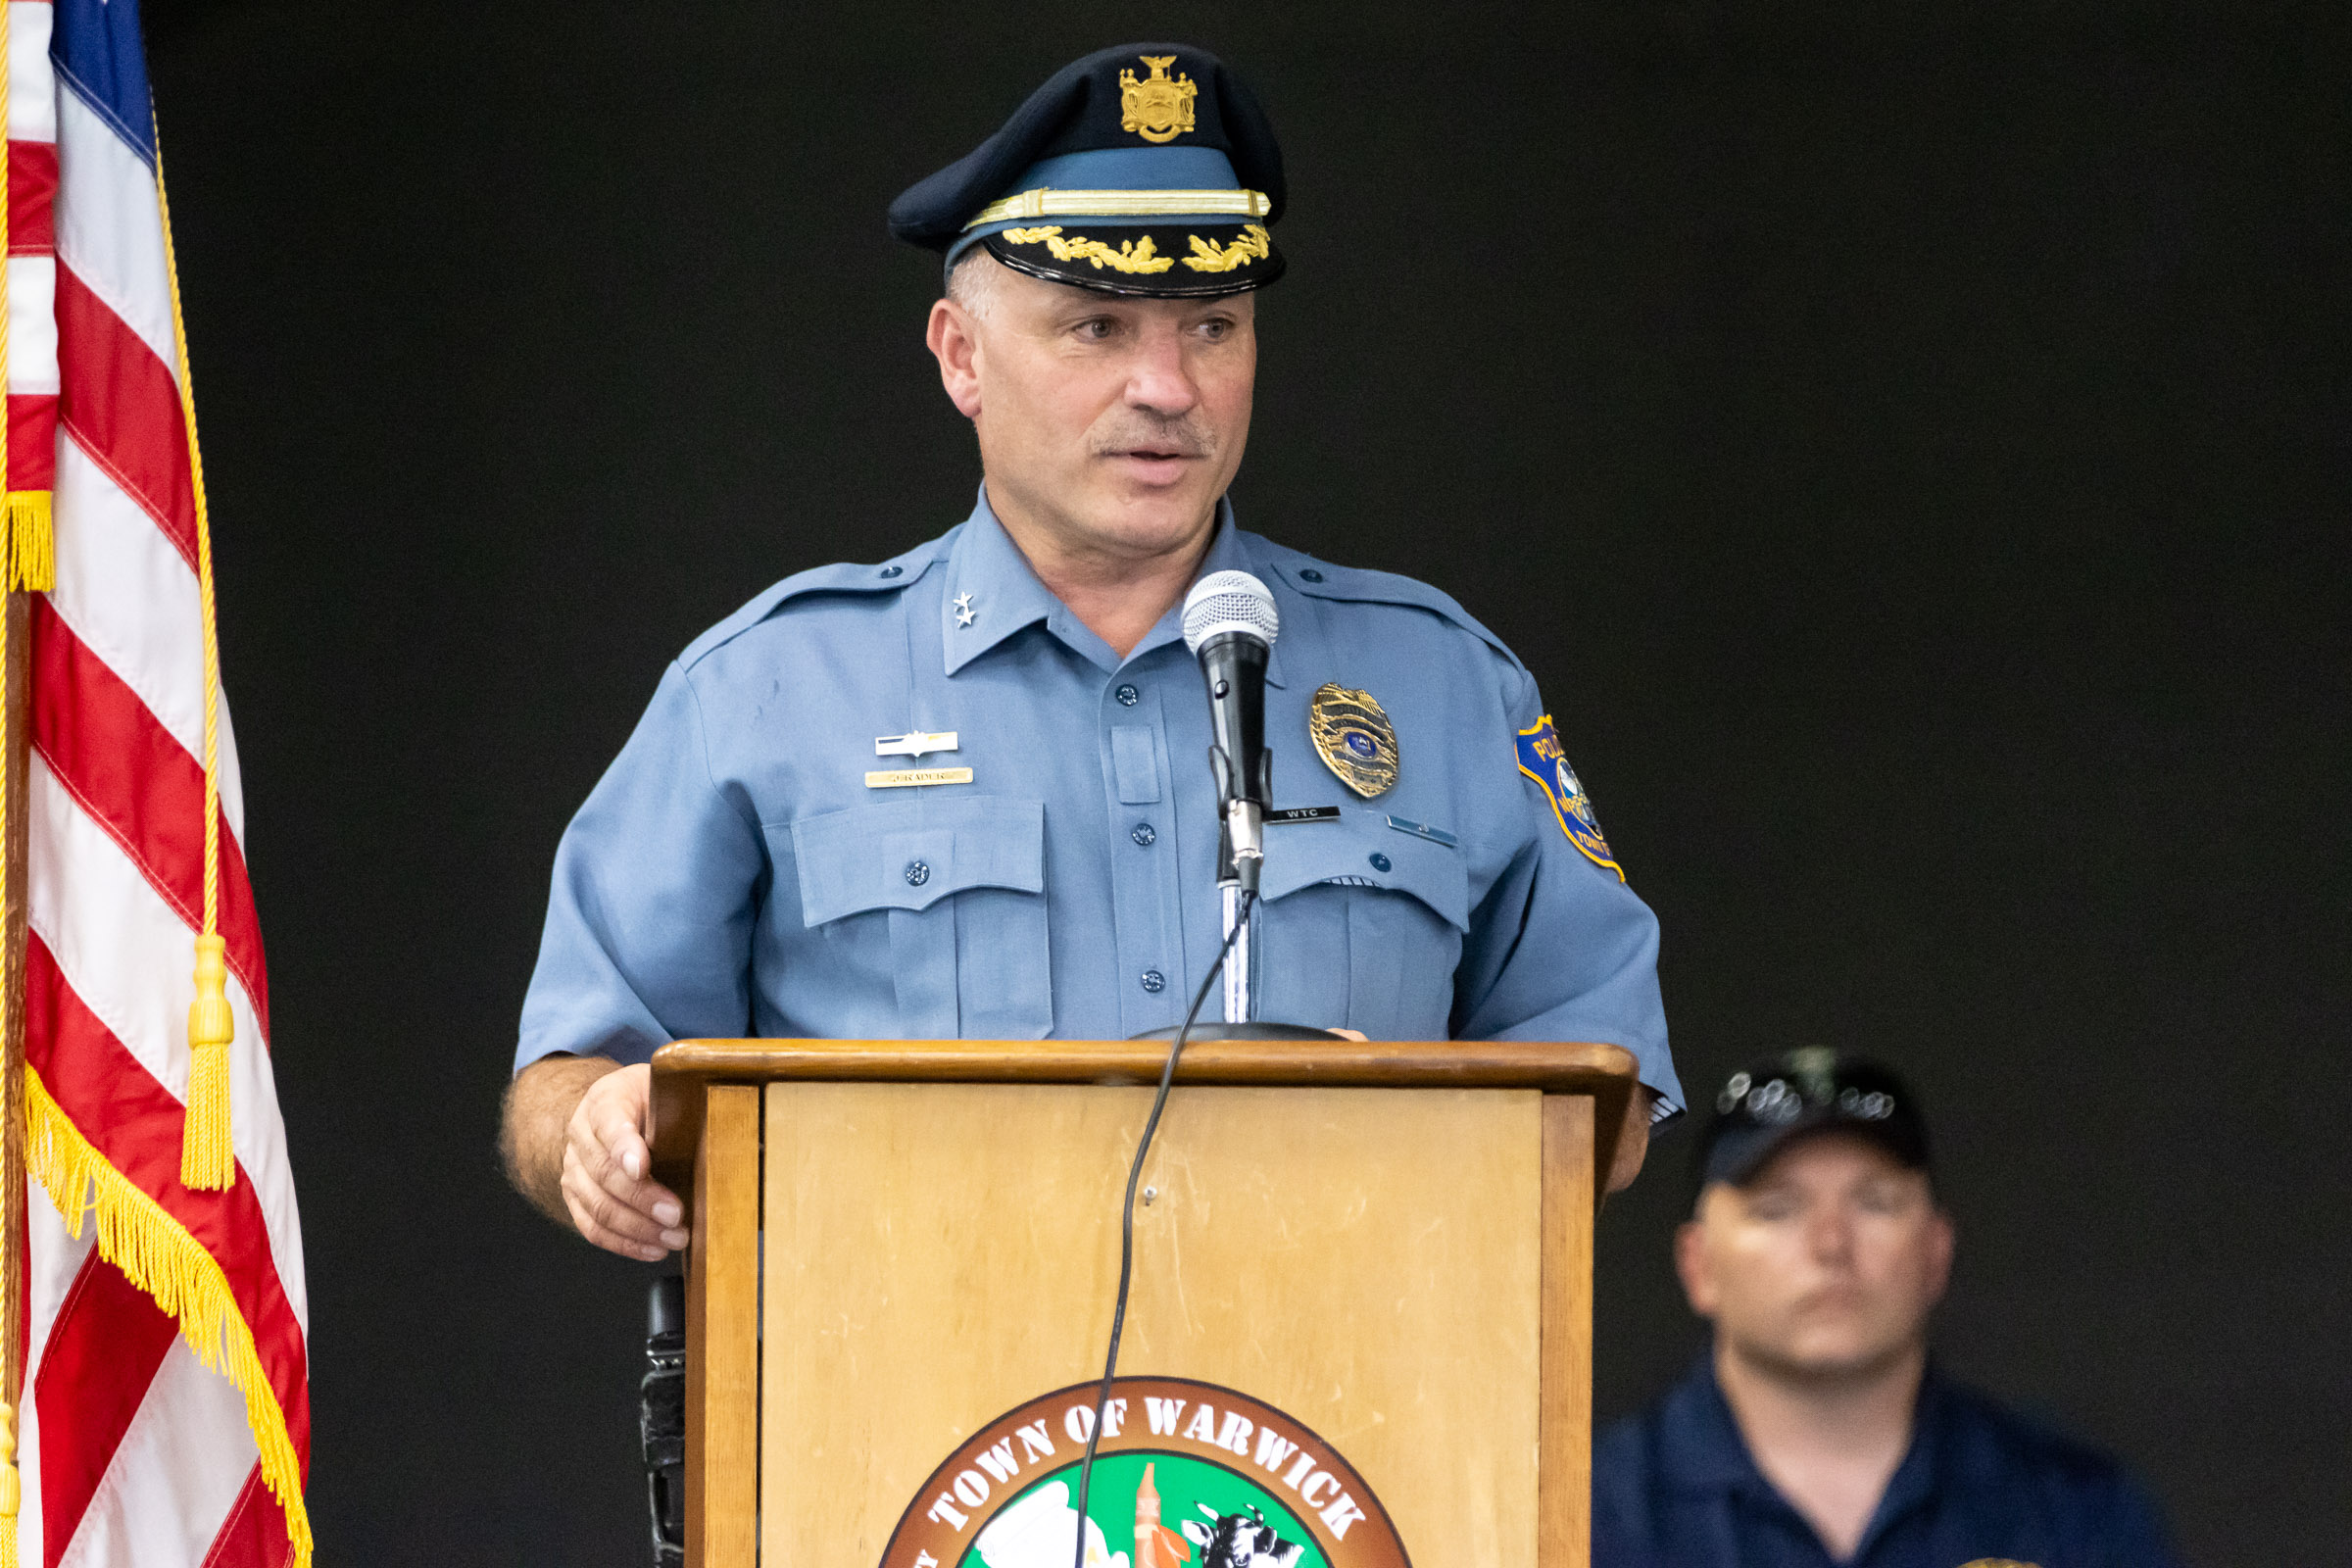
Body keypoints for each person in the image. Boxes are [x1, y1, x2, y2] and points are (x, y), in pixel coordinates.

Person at [498, 43, 1684, 1262]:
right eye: (1097, 326)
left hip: (1342, 1424)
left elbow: (1607, 1093)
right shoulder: (766, 691)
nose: (1167, 387)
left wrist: (1392, 1143)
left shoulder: (1441, 684)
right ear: (962, 356)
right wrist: (597, 1126)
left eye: (1212, 325)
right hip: (908, 1426)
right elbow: (573, 1073)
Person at [1592, 1049, 2180, 1568]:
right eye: (1777, 1208)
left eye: (1874, 1202)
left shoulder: (2078, 1512)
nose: (1831, 1244)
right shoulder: (1584, 1517)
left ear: (1936, 1251)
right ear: (1699, 1265)